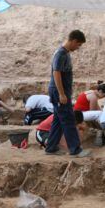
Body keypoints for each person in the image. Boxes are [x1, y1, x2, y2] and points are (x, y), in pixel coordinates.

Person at [45, 30, 91, 158]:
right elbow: (56, 73)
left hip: (60, 92)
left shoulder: (65, 53)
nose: (78, 48)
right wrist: (61, 94)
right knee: (68, 119)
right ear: (74, 41)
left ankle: (51, 147)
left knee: (58, 121)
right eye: (79, 45)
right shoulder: (60, 54)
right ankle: (75, 149)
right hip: (59, 92)